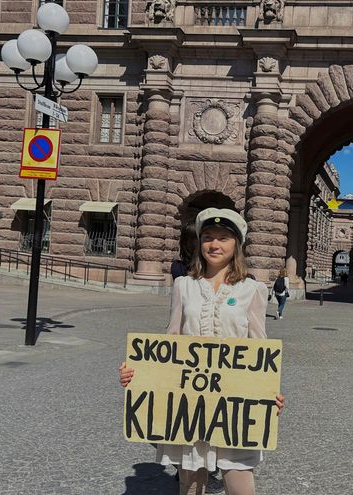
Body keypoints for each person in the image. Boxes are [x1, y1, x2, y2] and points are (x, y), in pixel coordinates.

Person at [119, 207, 285, 495]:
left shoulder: (252, 290)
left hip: (233, 402)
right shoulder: (184, 286)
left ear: (237, 245)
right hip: (190, 401)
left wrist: (268, 393)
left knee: (240, 481)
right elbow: (170, 341)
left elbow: (260, 347)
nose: (214, 244)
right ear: (199, 242)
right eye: (208, 237)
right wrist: (139, 372)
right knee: (190, 485)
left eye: (223, 238)